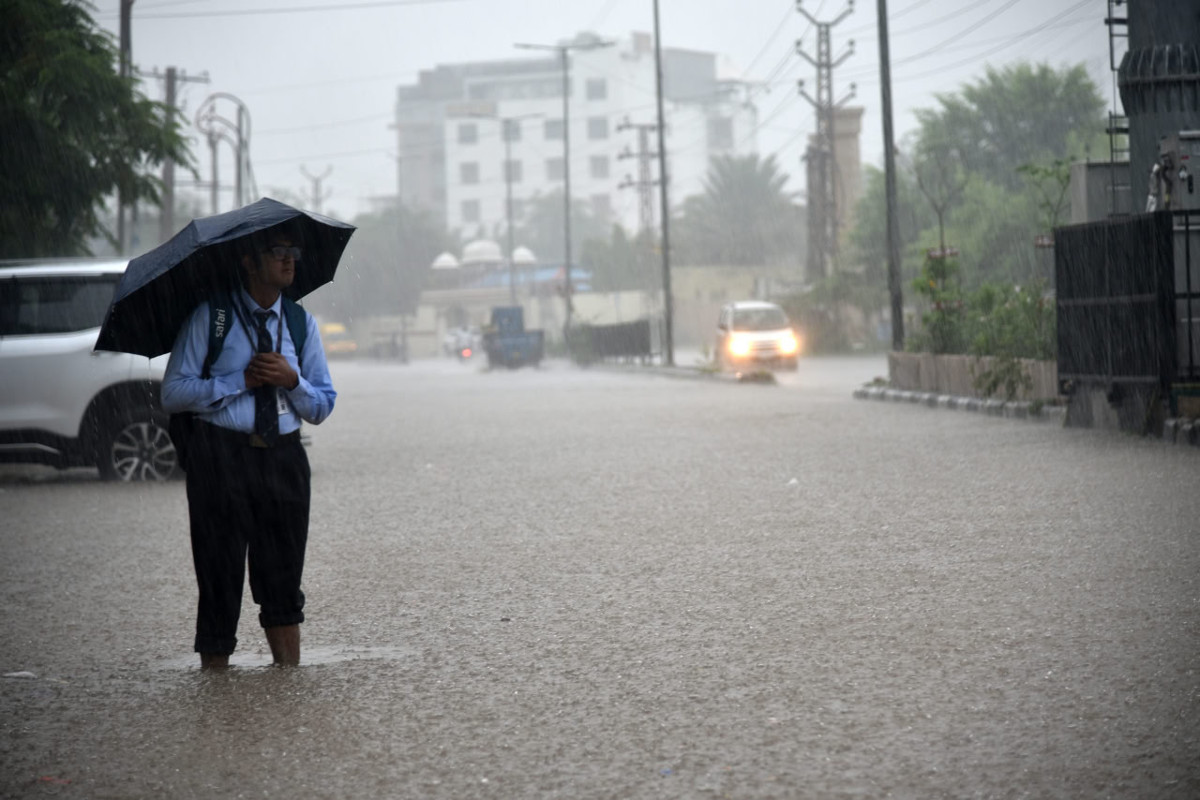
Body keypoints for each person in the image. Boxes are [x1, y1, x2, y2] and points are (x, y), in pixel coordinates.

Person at [162, 231, 336, 669]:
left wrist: (290, 380)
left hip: (284, 458)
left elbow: (323, 404)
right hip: (221, 458)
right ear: (248, 261)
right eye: (277, 252)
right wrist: (241, 381)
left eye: (292, 250)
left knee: (283, 580)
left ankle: (286, 687)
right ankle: (216, 696)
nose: (289, 260)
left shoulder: (300, 323)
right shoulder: (213, 318)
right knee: (218, 576)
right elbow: (173, 393)